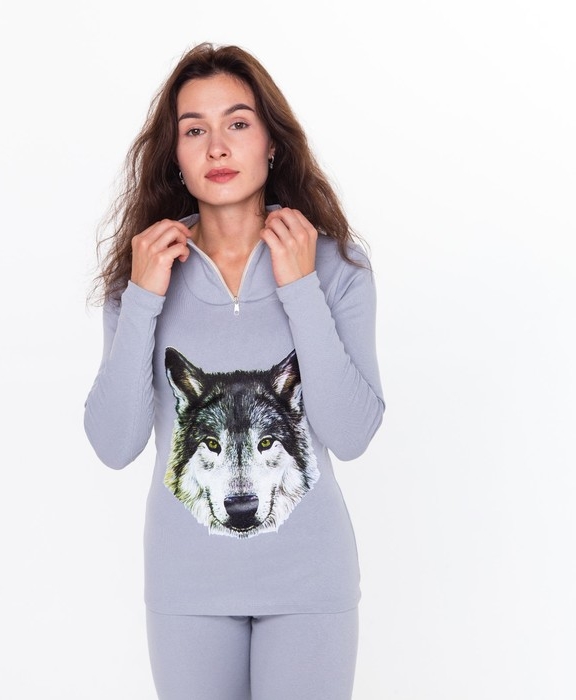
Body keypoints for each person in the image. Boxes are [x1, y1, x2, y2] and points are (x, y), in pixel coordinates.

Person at [84, 42, 385, 700]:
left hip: (309, 586)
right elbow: (114, 444)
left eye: (238, 123)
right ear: (175, 153)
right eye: (195, 130)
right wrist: (142, 298)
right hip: (187, 588)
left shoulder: (337, 267)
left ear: (272, 142)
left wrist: (300, 288)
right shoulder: (143, 273)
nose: (217, 147)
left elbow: (352, 433)